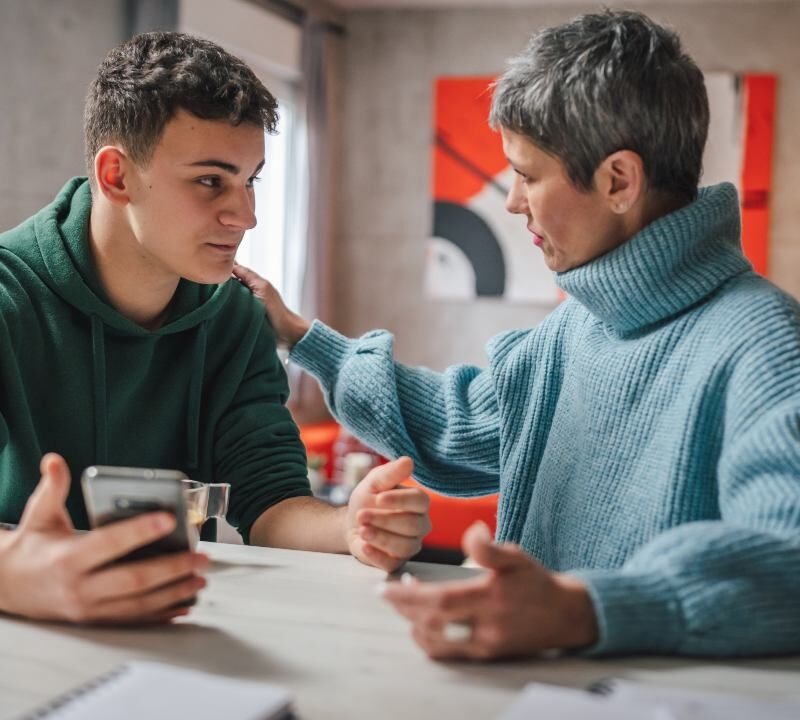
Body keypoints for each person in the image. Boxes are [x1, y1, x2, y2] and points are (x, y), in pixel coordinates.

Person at [233, 8, 800, 659]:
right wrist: (303, 335)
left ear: (618, 180)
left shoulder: (767, 346)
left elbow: (788, 558)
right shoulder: (573, 329)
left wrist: (583, 611)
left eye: (528, 175)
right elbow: (453, 424)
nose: (511, 200)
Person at [0, 32, 430, 625]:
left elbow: (273, 503)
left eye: (251, 180)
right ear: (117, 176)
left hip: (170, 642)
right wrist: (14, 572)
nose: (245, 216)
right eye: (210, 181)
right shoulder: (7, 300)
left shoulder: (235, 316)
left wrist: (350, 525)